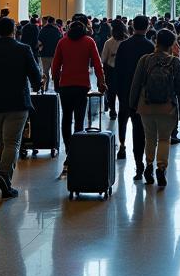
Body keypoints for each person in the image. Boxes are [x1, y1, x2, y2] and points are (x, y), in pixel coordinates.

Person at [0, 17, 42, 199]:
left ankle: (6, 177)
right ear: (14, 31)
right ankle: (5, 175)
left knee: (1, 141)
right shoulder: (23, 49)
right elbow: (34, 74)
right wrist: (38, 85)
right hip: (17, 102)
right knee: (13, 142)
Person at [128, 28, 180, 188]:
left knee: (149, 138)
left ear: (156, 41)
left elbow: (135, 84)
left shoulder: (145, 60)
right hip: (167, 107)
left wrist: (132, 104)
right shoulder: (174, 62)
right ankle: (161, 168)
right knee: (164, 139)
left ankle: (148, 166)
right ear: (172, 43)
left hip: (146, 106)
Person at [52, 18, 106, 169]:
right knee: (79, 119)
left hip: (65, 85)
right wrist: (101, 82)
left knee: (66, 118)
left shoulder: (62, 42)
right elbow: (97, 63)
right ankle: (76, 150)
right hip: (82, 85)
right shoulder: (89, 42)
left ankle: (68, 150)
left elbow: (55, 66)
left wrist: (56, 84)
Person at [114, 14, 155, 179]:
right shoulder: (150, 46)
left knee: (123, 119)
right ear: (147, 27)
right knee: (141, 129)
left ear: (132, 26)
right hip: (143, 95)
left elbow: (117, 69)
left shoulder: (124, 45)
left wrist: (117, 90)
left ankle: (122, 145)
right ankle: (142, 166)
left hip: (125, 91)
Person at [101, 19, 126, 118]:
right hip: (124, 71)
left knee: (111, 91)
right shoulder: (127, 41)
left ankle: (112, 110)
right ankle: (123, 110)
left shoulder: (109, 42)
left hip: (111, 70)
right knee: (123, 92)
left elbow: (103, 59)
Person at [37, 16, 62, 91]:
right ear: (54, 22)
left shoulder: (43, 30)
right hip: (55, 54)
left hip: (44, 54)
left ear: (48, 21)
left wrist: (41, 50)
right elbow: (60, 41)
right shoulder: (56, 30)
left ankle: (45, 88)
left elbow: (39, 41)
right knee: (55, 71)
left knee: (45, 72)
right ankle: (56, 88)